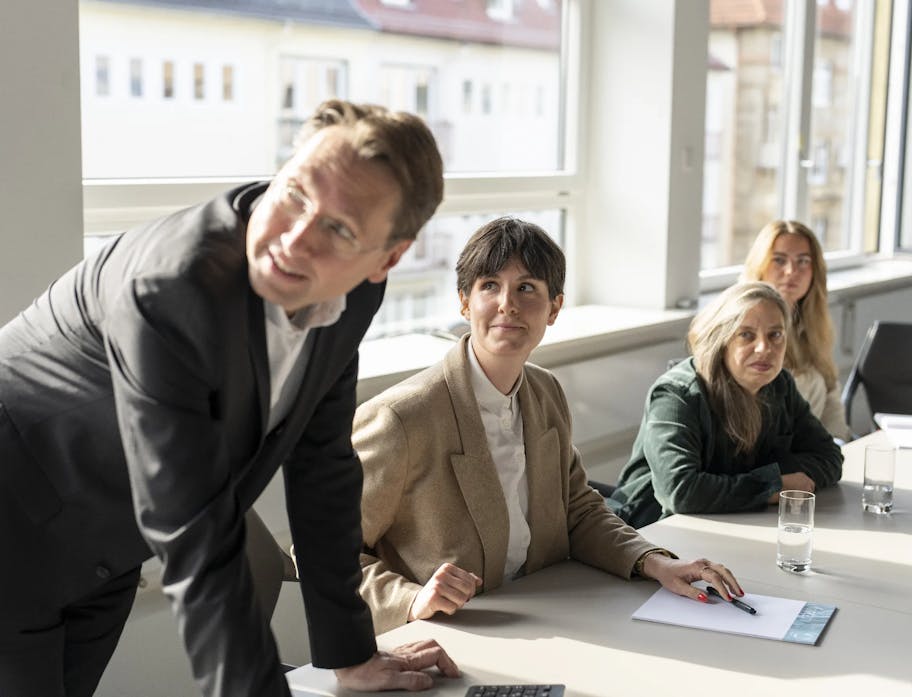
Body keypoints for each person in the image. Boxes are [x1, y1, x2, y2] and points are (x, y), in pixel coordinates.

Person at [0, 100, 458, 697]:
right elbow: (199, 537)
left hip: (100, 543)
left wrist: (348, 653)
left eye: (340, 229)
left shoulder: (355, 295)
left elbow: (322, 466)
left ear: (387, 258)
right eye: (293, 194)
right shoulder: (171, 292)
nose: (294, 240)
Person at [351, 217, 745, 635]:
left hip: (552, 611)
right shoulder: (403, 417)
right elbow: (322, 552)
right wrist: (412, 599)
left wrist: (657, 563)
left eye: (526, 288)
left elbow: (577, 509)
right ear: (464, 302)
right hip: (453, 633)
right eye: (489, 286)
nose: (507, 304)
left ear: (554, 307)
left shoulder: (545, 391)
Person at [607, 281, 844, 529]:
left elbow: (830, 458)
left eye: (775, 335)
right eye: (746, 335)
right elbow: (681, 492)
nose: (764, 348)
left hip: (736, 525)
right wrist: (774, 484)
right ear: (722, 340)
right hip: (651, 533)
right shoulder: (676, 395)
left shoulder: (780, 385)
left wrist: (746, 483)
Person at [741, 220, 851, 441]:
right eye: (779, 260)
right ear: (760, 266)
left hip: (817, 459)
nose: (791, 271)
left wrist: (839, 446)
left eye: (803, 261)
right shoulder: (740, 326)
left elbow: (831, 398)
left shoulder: (813, 326)